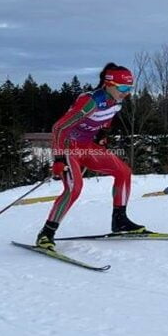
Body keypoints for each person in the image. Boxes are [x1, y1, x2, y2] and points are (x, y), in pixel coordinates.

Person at [35, 63, 145, 250]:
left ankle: (120, 221)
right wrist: (59, 159)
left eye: (129, 89)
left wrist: (102, 134)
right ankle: (46, 233)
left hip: (87, 147)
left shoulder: (116, 100)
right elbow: (59, 128)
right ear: (108, 84)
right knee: (74, 188)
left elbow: (107, 117)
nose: (126, 93)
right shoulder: (90, 101)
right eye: (123, 88)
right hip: (69, 148)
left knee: (123, 172)